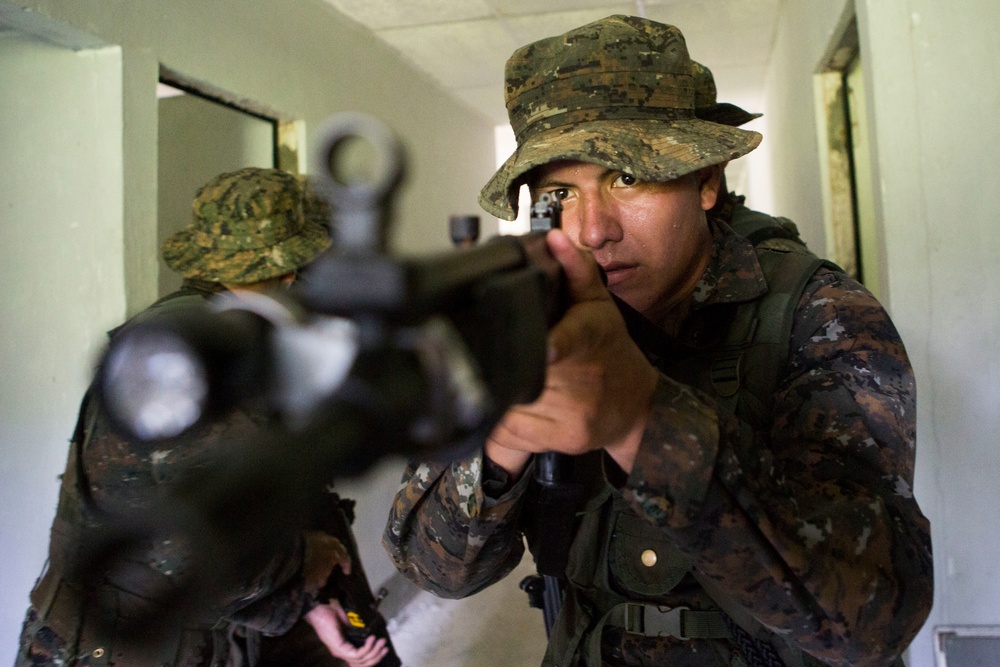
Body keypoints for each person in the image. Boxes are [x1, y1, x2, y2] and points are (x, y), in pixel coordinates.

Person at [384, 15, 932, 667]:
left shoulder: (819, 314)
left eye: (626, 178)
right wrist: (505, 438)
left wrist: (643, 419)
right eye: (560, 192)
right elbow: (436, 568)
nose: (592, 230)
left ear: (707, 181)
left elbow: (876, 618)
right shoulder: (537, 316)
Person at [16, 167, 391, 667]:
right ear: (290, 268)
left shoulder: (199, 329)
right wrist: (306, 561)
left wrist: (304, 602)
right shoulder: (205, 358)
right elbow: (185, 549)